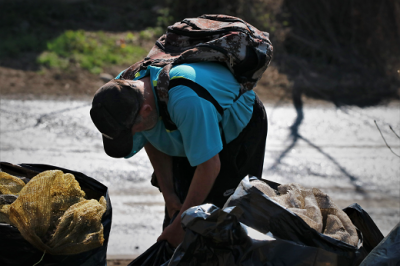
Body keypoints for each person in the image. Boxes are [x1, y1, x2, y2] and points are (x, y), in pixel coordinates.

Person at [90, 62, 268, 247]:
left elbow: (209, 166)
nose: (133, 136)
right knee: (177, 213)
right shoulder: (124, 90)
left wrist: (183, 224)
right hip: (183, 119)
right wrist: (169, 195)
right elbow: (151, 137)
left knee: (222, 218)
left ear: (146, 110)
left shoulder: (186, 101)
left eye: (132, 131)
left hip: (236, 127)